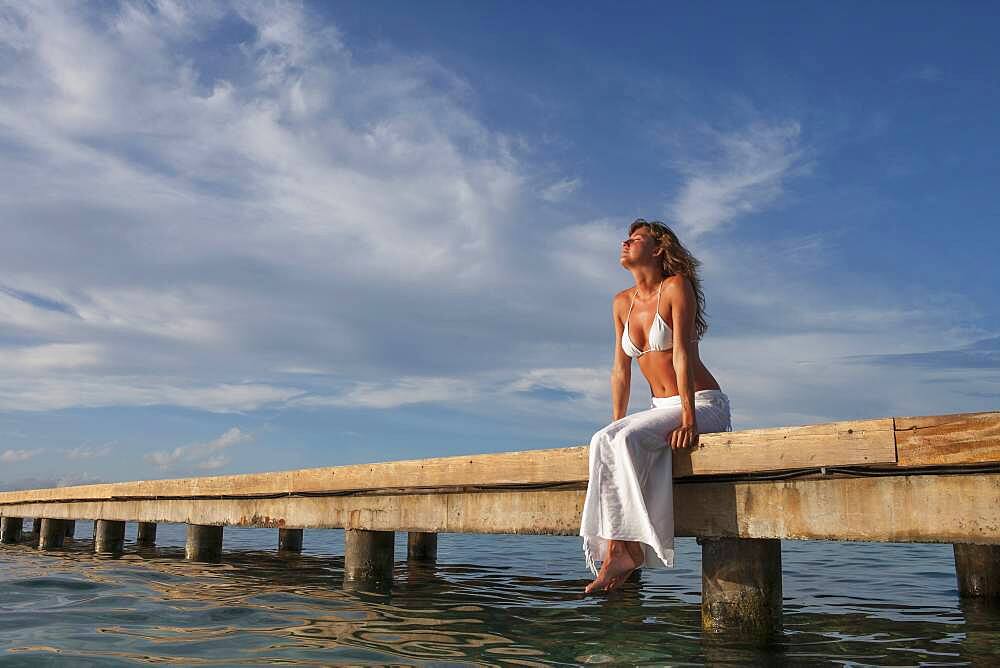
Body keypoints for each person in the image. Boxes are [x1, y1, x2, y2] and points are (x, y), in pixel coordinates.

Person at [581, 219, 732, 594]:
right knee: (604, 440)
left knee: (627, 437)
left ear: (658, 249)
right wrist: (616, 426)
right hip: (658, 407)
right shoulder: (621, 302)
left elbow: (681, 353)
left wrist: (689, 418)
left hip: (701, 402)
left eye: (635, 239)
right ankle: (616, 549)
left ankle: (626, 550)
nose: (625, 243)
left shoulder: (674, 288)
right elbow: (620, 370)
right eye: (626, 239)